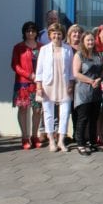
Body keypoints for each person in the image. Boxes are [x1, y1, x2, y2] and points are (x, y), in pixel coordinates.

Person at [35, 23, 74, 152]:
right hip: (48, 84)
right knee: (48, 113)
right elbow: (39, 69)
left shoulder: (68, 49)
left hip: (64, 84)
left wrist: (71, 84)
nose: (56, 36)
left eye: (59, 34)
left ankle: (61, 140)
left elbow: (71, 69)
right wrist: (39, 86)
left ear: (62, 35)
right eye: (54, 34)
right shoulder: (44, 49)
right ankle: (51, 140)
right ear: (50, 35)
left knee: (64, 114)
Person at [11, 21, 42, 149]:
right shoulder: (18, 47)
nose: (30, 33)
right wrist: (29, 75)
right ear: (24, 32)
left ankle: (35, 136)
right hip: (23, 83)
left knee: (37, 110)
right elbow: (15, 65)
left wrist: (40, 77)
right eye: (28, 31)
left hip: (38, 84)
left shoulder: (41, 47)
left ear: (36, 32)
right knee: (23, 109)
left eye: (33, 30)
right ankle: (25, 137)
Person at [72, 31, 103, 156]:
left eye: (92, 40)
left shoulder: (97, 54)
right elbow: (76, 73)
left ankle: (92, 143)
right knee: (83, 118)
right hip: (83, 91)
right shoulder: (79, 55)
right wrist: (91, 81)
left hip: (96, 91)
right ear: (83, 42)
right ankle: (80, 144)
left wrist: (99, 79)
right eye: (88, 40)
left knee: (94, 118)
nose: (90, 42)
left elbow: (102, 70)